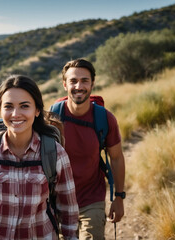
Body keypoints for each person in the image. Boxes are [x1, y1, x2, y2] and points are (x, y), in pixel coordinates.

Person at [0, 75, 79, 240]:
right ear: (0, 110)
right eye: (8, 106)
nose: (16, 114)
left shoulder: (54, 153)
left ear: (37, 110)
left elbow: (67, 207)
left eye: (24, 106)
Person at [51, 59, 125, 239]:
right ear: (64, 84)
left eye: (84, 80)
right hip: (59, 200)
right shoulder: (54, 117)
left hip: (92, 197)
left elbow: (116, 157)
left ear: (92, 83)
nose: (79, 86)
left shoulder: (105, 119)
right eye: (73, 81)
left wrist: (119, 197)